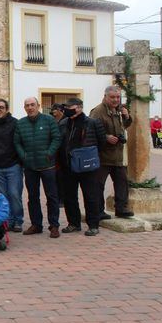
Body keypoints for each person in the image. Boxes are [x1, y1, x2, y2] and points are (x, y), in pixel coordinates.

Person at [14, 97, 61, 237]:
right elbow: (17, 143)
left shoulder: (49, 120)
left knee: (51, 196)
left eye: (32, 105)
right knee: (32, 197)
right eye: (27, 105)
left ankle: (54, 226)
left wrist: (49, 153)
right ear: (24, 108)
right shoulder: (21, 123)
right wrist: (24, 156)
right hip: (30, 166)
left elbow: (56, 138)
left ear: (38, 106)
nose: (30, 108)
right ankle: (36, 224)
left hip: (47, 165)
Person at [58, 97, 106, 236]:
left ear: (79, 107)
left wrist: (90, 157)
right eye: (65, 107)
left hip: (87, 167)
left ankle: (93, 225)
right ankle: (73, 223)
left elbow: (101, 142)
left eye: (70, 107)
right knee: (69, 197)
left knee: (91, 196)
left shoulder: (92, 122)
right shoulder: (64, 123)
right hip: (68, 166)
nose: (66, 109)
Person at [90, 86, 134, 218]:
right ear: (105, 97)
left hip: (118, 155)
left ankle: (121, 208)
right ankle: (98, 211)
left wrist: (127, 116)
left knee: (122, 183)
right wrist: (106, 137)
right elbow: (90, 130)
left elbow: (123, 126)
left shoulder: (119, 110)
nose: (116, 100)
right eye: (112, 97)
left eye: (118, 97)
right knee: (98, 185)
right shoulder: (98, 111)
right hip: (102, 156)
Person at [0, 99, 24, 232]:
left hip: (13, 166)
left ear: (7, 109)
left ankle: (17, 220)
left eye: (1, 107)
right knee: (1, 196)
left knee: (14, 194)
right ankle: (6, 220)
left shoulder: (15, 124)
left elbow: (20, 143)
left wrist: (19, 161)